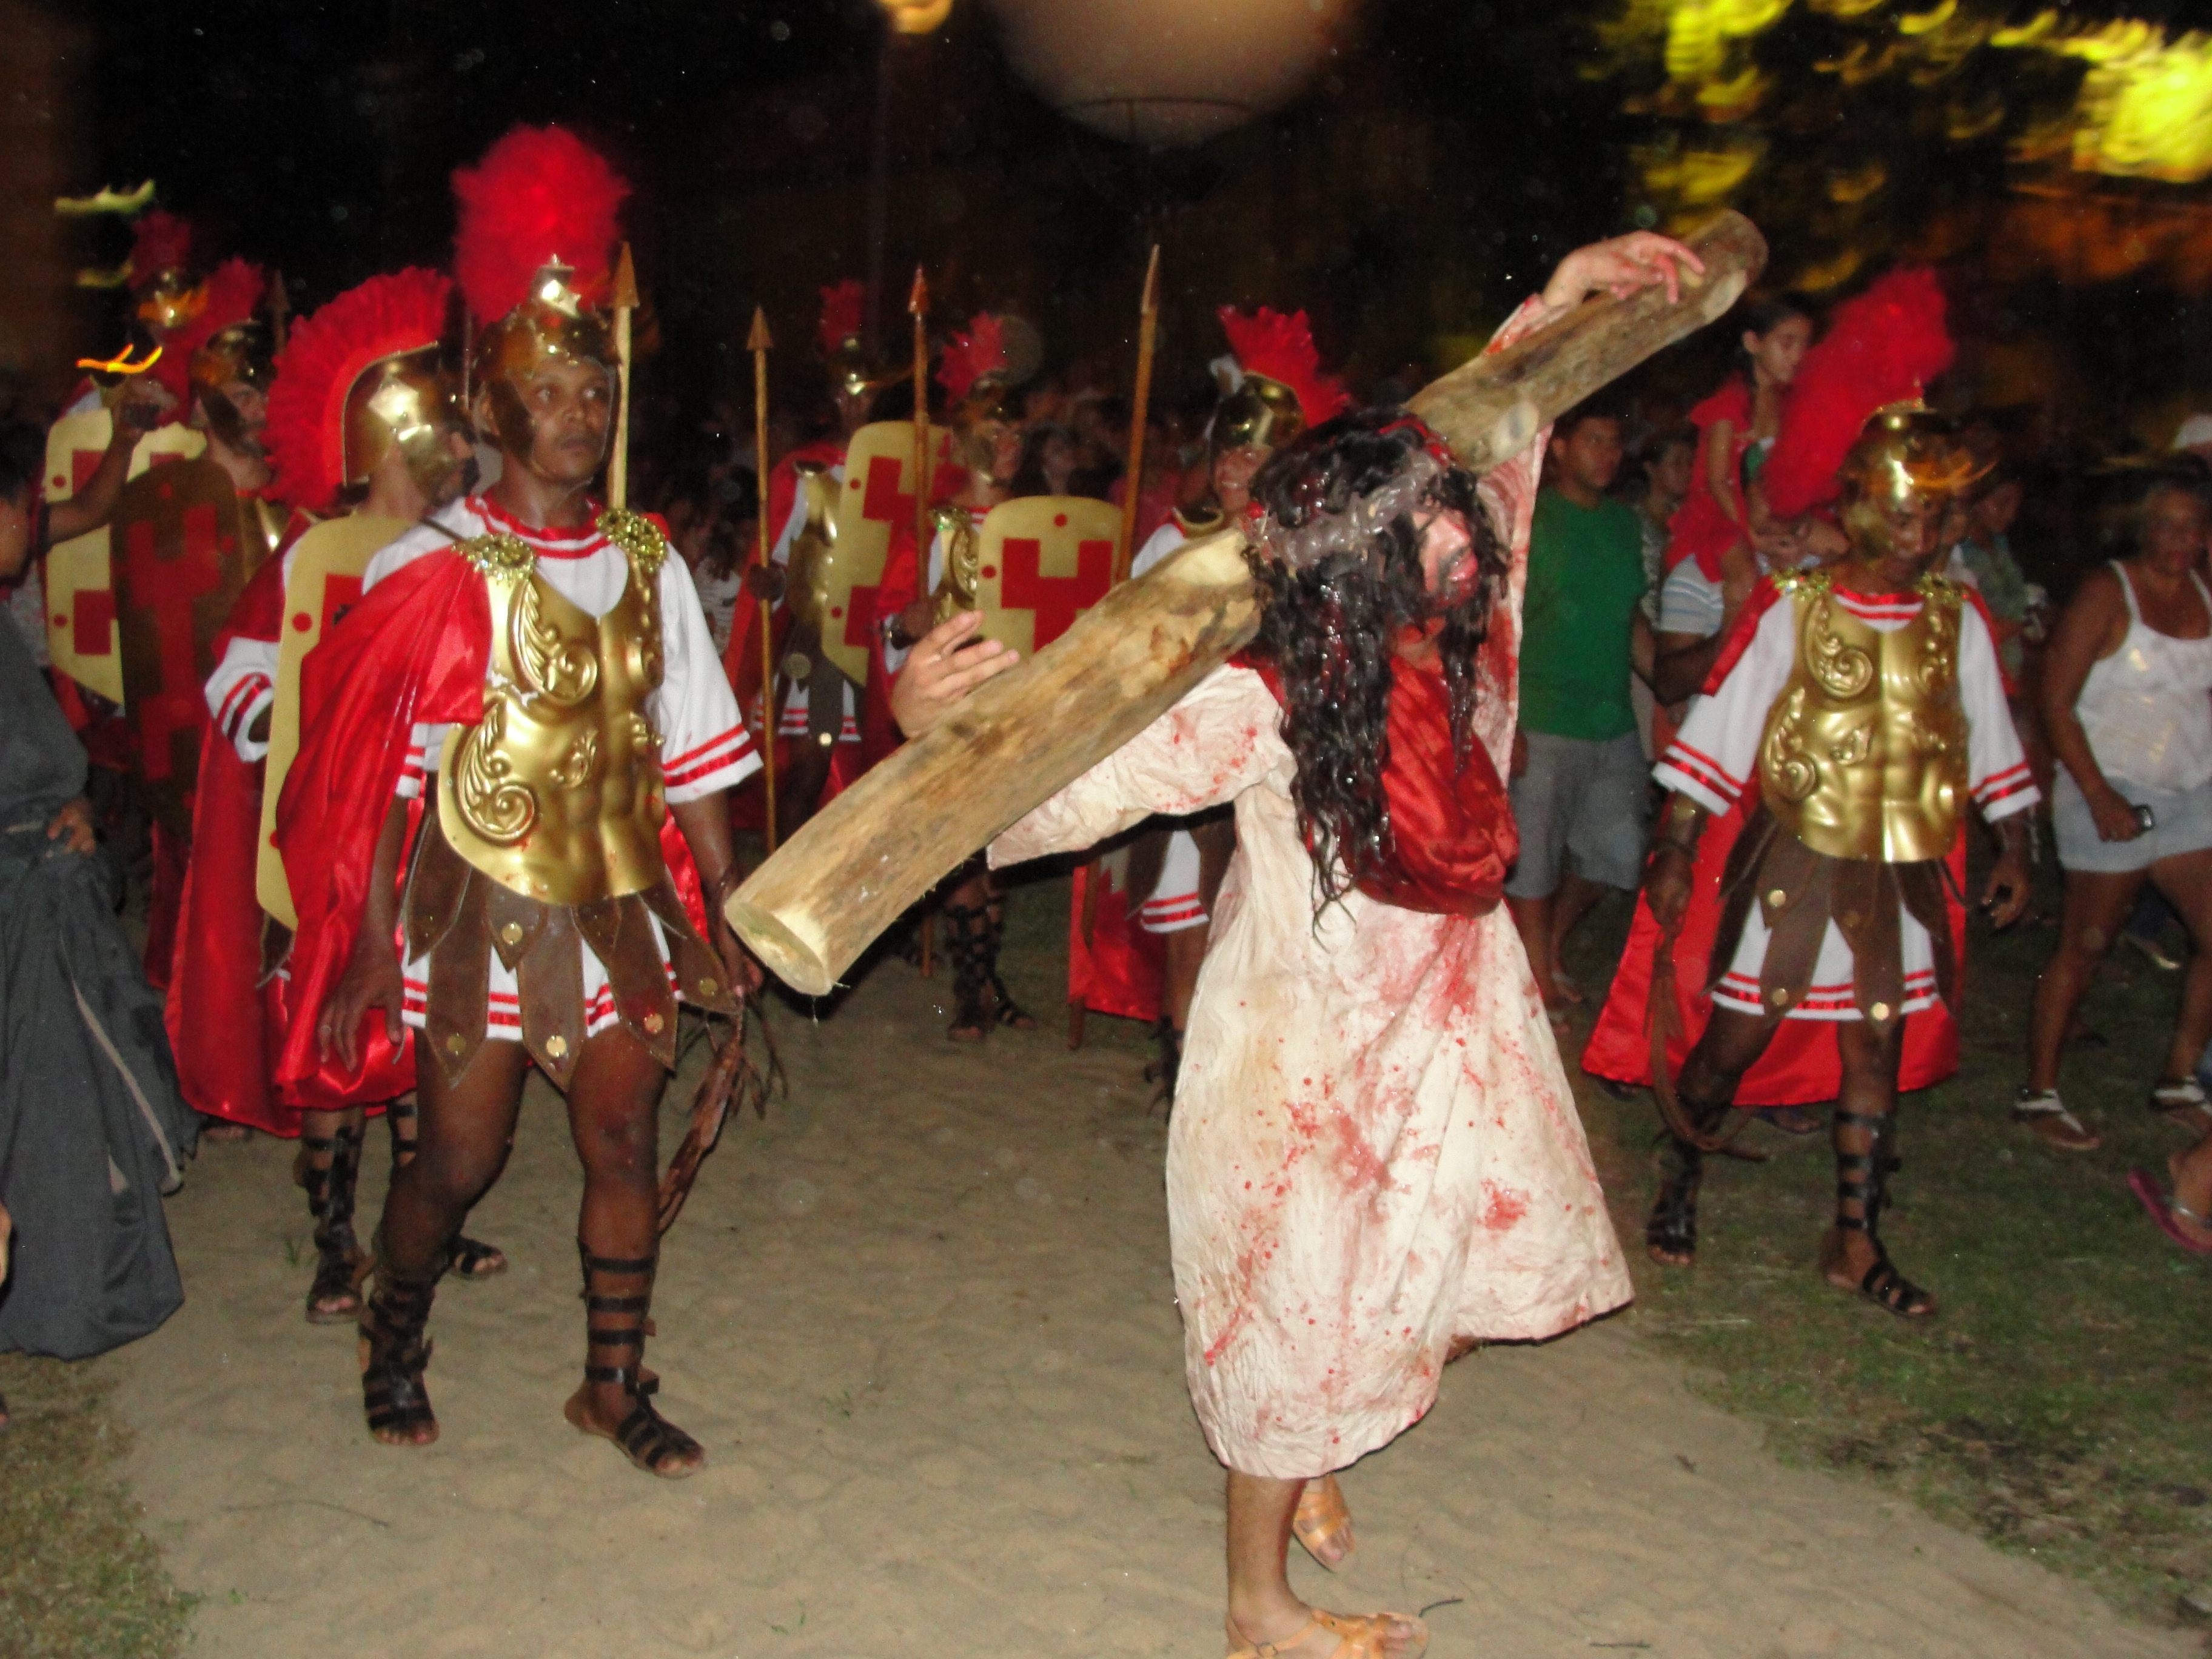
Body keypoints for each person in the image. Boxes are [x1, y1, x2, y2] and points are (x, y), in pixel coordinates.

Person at [897, 233, 1698, 1659]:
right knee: (1292, 1307)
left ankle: (1320, 1430)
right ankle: (1256, 1605)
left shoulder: (1479, 628)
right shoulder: (1266, 699)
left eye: (1454, 512)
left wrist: (1566, 291)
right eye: (1430, 522)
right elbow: (1070, 789)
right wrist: (933, 731)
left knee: (1464, 1271)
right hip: (1305, 1061)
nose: (1462, 531)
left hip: (1456, 1038)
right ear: (1358, 564)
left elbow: (1509, 436)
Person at [275, 126, 760, 1475]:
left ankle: (610, 1386)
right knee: (456, 1163)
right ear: (493, 411)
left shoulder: (651, 562)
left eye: (596, 388)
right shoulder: (434, 565)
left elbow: (692, 751)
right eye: (549, 390)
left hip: (619, 904)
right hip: (473, 909)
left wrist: (728, 902)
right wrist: (371, 941)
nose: (580, 412)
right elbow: (383, 779)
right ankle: (392, 1333)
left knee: (623, 1139)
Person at [1643, 404, 2036, 1316]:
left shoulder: (1956, 620)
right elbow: (1721, 732)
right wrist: (1677, 847)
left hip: (1901, 869)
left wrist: (2016, 841)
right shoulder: (1798, 607)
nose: (1919, 539)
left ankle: (1855, 1240)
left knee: (1876, 1046)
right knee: (1735, 1043)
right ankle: (1682, 1169)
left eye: (1933, 519)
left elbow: (1988, 738)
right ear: (1861, 510)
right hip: (1799, 862)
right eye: (1902, 517)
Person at [194, 266, 501, 1320]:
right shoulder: (310, 553)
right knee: (338, 1033)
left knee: (428, 1032)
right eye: (445, 429)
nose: (462, 446)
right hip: (335, 830)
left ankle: (423, 1223)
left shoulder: (463, 548)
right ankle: (335, 1242)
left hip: (434, 825)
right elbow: (240, 677)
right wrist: (307, 737)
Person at [1096, 306, 1350, 1097]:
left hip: (1281, 773)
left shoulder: (1313, 555)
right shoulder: (1174, 543)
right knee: (1191, 930)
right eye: (1229, 448)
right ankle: (1187, 1084)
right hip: (1191, 764)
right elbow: (1127, 648)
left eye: (1256, 450)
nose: (1237, 463)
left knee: (1271, 937)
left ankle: (1247, 1084)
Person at [0, 420, 198, 1385]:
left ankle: (68, 1292)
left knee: (57, 1122)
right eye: (23, 506)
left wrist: (69, 807)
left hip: (38, 902)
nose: (35, 523)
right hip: (11, 914)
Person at [2021, 474, 2212, 1150]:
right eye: (2166, 524)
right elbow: (2055, 699)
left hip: (2188, 792)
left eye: (2192, 526)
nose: (2179, 540)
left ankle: (2179, 1079)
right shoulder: (2109, 591)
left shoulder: (2205, 593)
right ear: (2143, 527)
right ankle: (2040, 1092)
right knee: (2086, 944)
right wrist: (2099, 794)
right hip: (2106, 786)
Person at [879, 312, 1037, 1042]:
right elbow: (889, 621)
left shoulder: (1038, 522)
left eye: (1018, 435)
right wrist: (906, 624)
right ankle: (973, 989)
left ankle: (986, 979)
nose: (1010, 448)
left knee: (997, 851)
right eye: (997, 434)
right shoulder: (936, 525)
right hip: (952, 702)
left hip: (1015, 698)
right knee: (964, 850)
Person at [1507, 403, 1653, 1024]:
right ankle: (1537, 978)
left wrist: (1666, 681)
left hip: (1612, 717)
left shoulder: (1623, 524)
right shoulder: (1531, 522)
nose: (1607, 455)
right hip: (1544, 713)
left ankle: (1548, 948)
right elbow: (1503, 624)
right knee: (1534, 859)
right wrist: (1507, 721)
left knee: (1618, 854)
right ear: (1559, 448)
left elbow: (1629, 615)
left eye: (1614, 442)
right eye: (1593, 441)